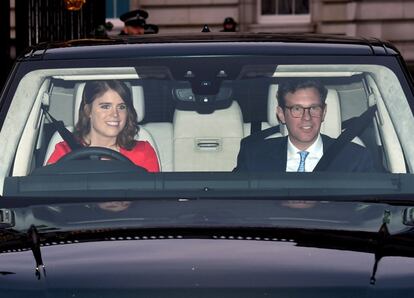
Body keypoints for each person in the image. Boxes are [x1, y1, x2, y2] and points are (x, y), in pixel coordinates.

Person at [234, 79, 376, 173]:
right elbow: (236, 206)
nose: (307, 117)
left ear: (324, 112)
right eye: (297, 109)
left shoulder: (356, 159)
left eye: (314, 108)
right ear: (281, 114)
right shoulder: (254, 155)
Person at [47, 80, 160, 172]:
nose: (115, 114)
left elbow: (152, 198)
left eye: (121, 107)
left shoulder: (143, 152)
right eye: (105, 106)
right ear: (88, 111)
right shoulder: (65, 151)